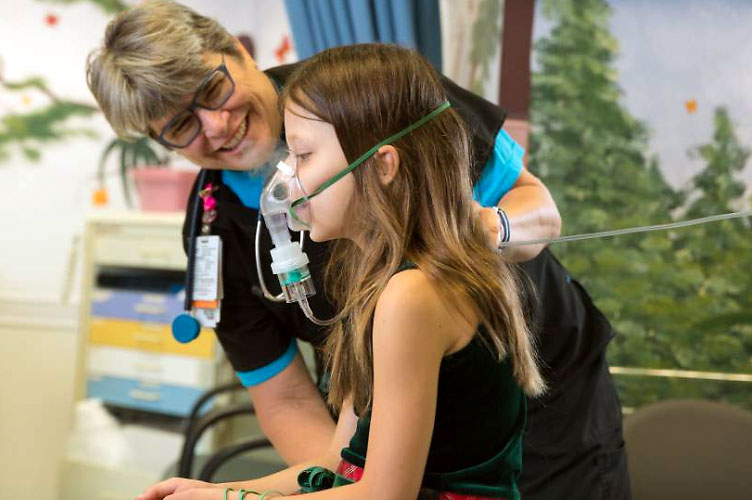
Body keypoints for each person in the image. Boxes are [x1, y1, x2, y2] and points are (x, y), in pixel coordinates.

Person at [86, 1, 630, 498]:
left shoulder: (366, 93)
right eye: (182, 125)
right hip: (395, 436)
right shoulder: (221, 232)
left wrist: (482, 232)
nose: (217, 125)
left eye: (211, 90)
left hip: (544, 401)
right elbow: (294, 407)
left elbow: (541, 213)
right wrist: (341, 476)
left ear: (238, 51)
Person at [139, 41, 546, 500]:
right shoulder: (373, 286)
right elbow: (338, 463)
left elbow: (383, 494)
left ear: (382, 164)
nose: (283, 179)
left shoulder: (413, 295)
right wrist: (212, 491)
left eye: (301, 156)